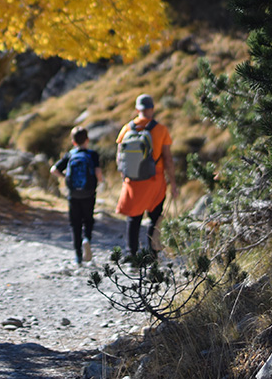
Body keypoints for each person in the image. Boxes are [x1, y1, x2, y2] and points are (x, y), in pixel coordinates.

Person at [115, 93, 179, 258]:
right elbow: (168, 159)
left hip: (132, 181)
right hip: (154, 181)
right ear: (152, 109)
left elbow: (119, 158)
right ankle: (152, 254)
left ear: (137, 109)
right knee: (155, 218)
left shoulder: (126, 129)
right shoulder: (161, 130)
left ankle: (131, 256)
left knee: (133, 219)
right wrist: (173, 184)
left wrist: (125, 177)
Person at [51, 126, 103, 265]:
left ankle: (78, 256)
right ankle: (87, 239)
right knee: (88, 219)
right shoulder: (93, 154)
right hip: (89, 193)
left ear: (73, 142)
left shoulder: (70, 155)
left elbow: (53, 169)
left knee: (75, 224)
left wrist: (65, 177)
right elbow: (98, 173)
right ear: (87, 140)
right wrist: (99, 181)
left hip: (73, 194)